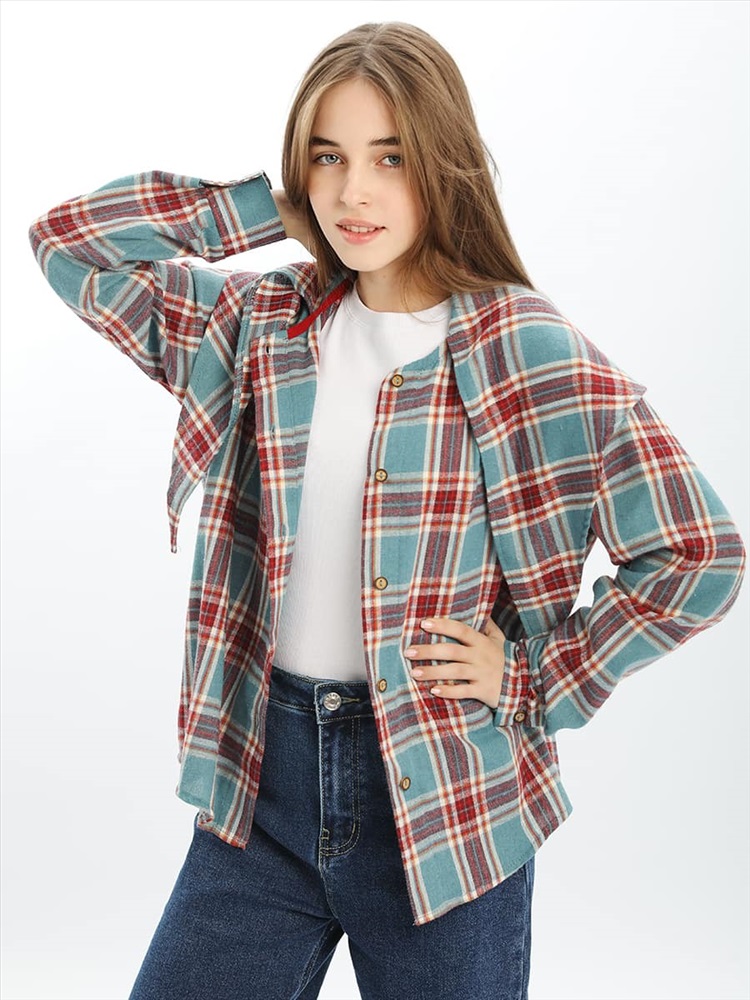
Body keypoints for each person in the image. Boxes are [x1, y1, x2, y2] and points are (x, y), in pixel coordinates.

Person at [27, 20, 745, 1000]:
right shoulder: (261, 326)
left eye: (390, 157)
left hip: (445, 802)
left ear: (443, 163)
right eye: (329, 156)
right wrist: (268, 207)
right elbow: (69, 245)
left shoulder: (525, 349)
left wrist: (535, 675)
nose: (354, 191)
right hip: (262, 794)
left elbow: (701, 554)